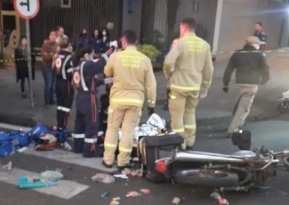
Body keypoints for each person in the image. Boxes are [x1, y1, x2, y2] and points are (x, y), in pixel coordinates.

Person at [102, 30, 156, 171]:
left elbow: (107, 72)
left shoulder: (116, 57)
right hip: (136, 101)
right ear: (136, 42)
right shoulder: (145, 60)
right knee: (128, 131)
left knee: (112, 128)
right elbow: (151, 84)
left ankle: (108, 160)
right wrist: (151, 103)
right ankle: (122, 162)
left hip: (117, 100)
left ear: (124, 41)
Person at [163, 17, 213, 150]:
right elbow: (209, 69)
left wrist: (168, 74)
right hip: (194, 87)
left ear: (183, 27)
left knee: (177, 116)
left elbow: (168, 62)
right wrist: (205, 86)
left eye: (180, 28)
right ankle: (190, 141)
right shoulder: (205, 45)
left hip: (178, 86)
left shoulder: (180, 43)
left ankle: (179, 144)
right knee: (190, 113)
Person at [72, 41, 117, 158]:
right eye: (92, 54)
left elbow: (90, 81)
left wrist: (107, 81)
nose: (93, 57)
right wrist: (112, 48)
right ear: (87, 55)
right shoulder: (87, 65)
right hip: (89, 98)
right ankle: (89, 150)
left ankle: (78, 147)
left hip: (80, 97)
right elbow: (102, 62)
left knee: (80, 124)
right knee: (92, 124)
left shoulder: (77, 66)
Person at [222, 36, 270, 136]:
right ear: (255, 44)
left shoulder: (238, 53)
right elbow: (265, 69)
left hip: (240, 82)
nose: (259, 46)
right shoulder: (260, 54)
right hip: (251, 83)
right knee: (244, 108)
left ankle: (240, 121)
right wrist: (264, 80)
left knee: (242, 99)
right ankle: (233, 129)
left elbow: (229, 69)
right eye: (259, 45)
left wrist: (225, 84)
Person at [53, 37, 74, 130]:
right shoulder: (69, 58)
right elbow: (71, 74)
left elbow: (53, 69)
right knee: (66, 107)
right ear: (68, 46)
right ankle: (63, 128)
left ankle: (59, 125)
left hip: (58, 83)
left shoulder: (57, 56)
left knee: (59, 106)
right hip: (67, 84)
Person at [41, 30, 58, 108]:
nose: (53, 36)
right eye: (52, 35)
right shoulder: (46, 45)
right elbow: (44, 56)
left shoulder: (57, 45)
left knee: (53, 83)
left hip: (54, 66)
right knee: (48, 83)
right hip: (46, 66)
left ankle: (51, 100)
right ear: (49, 36)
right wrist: (52, 57)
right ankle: (46, 102)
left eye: (55, 35)